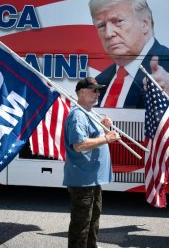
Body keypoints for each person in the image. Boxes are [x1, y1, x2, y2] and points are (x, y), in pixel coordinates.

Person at [89, 0, 169, 110]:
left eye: (118, 21)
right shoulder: (100, 81)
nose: (109, 34)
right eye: (101, 25)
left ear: (145, 24)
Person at [63, 77, 121, 248]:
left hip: (92, 179)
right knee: (81, 226)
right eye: (94, 90)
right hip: (83, 180)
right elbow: (79, 145)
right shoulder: (78, 116)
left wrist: (104, 128)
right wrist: (106, 137)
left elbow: (92, 138)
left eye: (98, 90)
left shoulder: (89, 113)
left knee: (92, 223)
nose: (98, 93)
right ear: (81, 93)